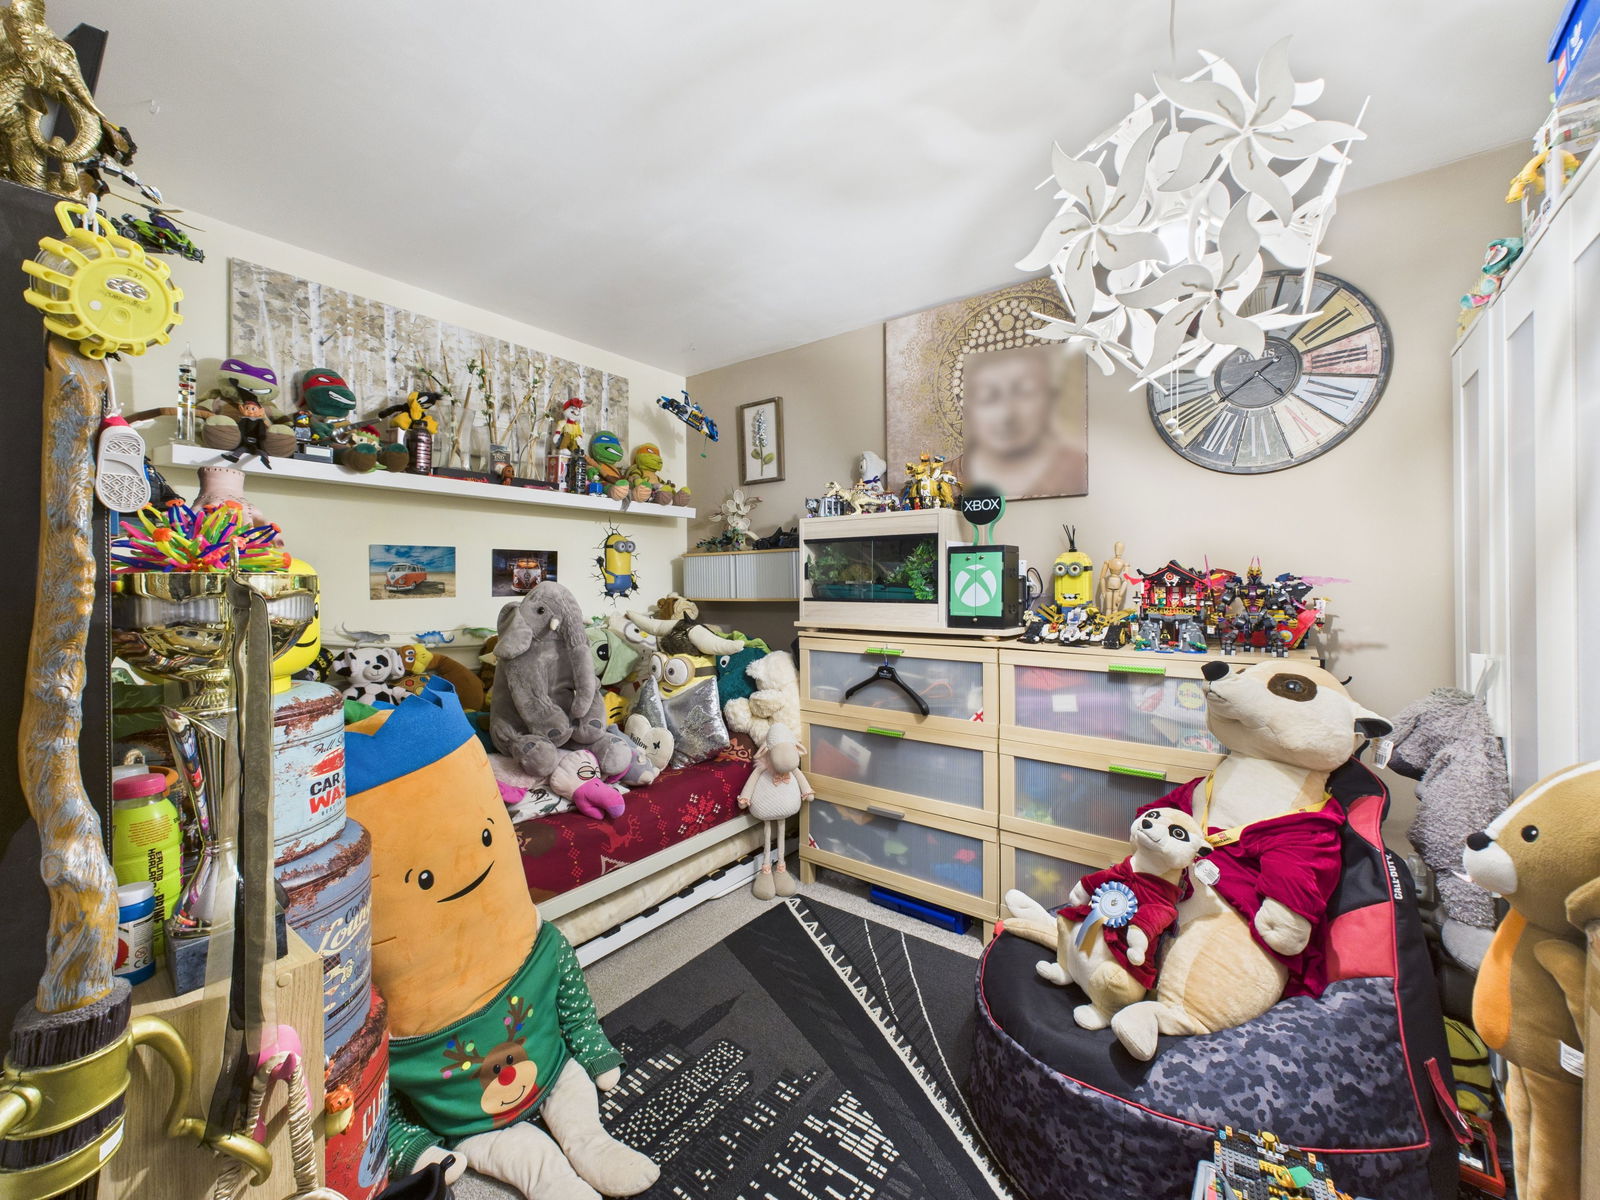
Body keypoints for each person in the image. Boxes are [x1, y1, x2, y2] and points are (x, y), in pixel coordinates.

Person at [953, 345, 1086, 499]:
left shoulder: (1079, 469)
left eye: (1025, 392)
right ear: (968, 407)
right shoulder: (945, 476)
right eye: (987, 396)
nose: (1007, 414)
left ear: (1051, 397)